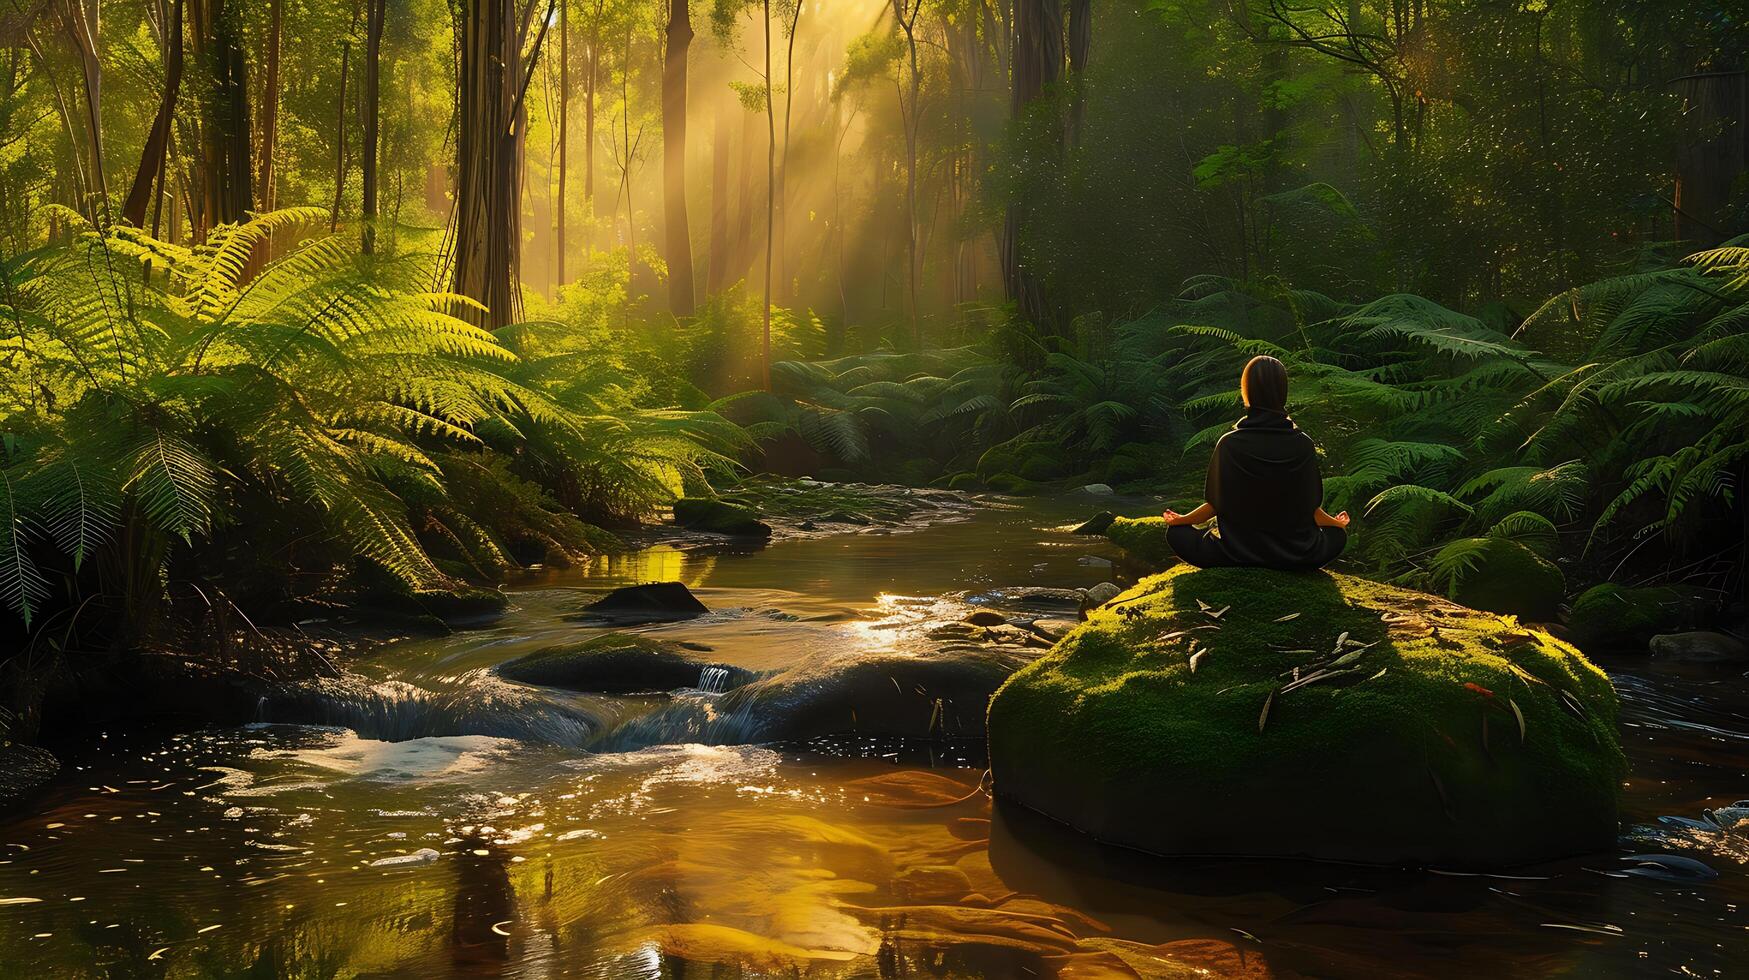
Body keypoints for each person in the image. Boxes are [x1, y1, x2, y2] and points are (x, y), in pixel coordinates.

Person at [1162, 355, 1350, 570]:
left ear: (1247, 390)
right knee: (1337, 536)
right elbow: (1311, 510)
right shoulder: (1303, 444)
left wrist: (1181, 520)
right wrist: (1338, 525)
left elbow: (1214, 506)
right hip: (1298, 557)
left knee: (1176, 533)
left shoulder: (1230, 443)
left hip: (1234, 555)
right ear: (1283, 392)